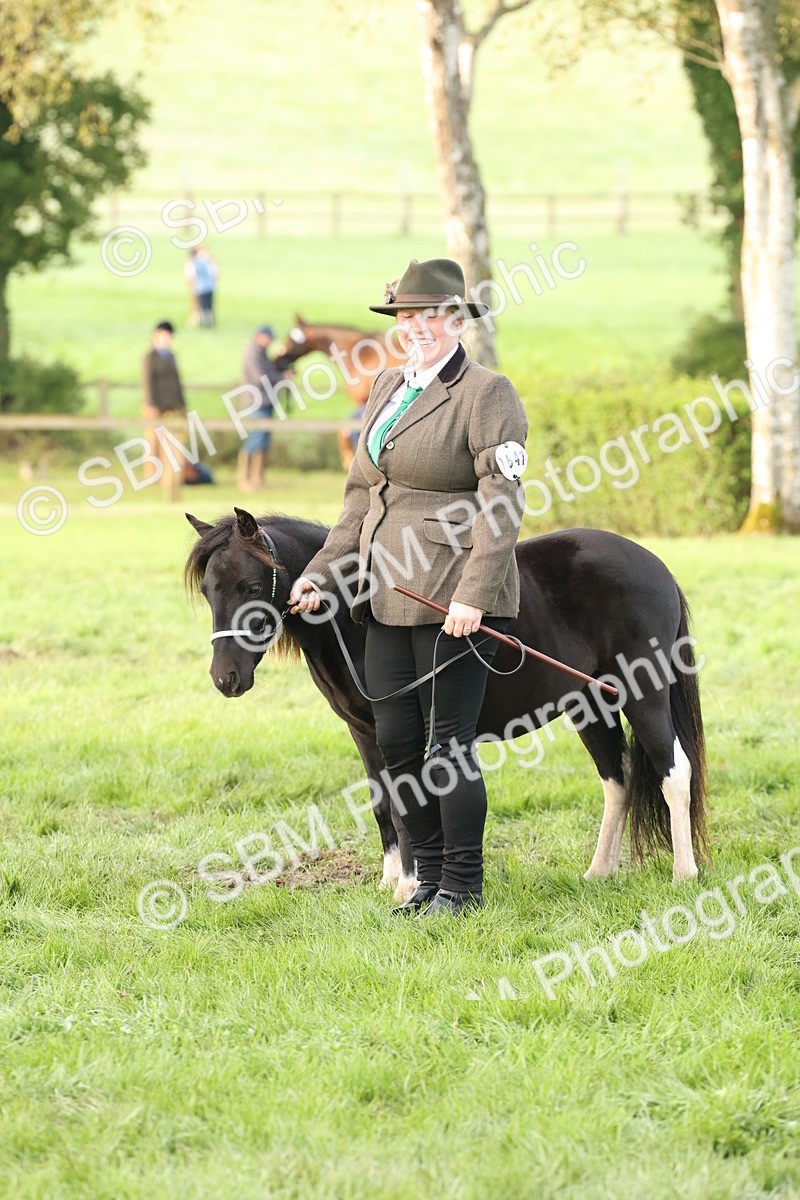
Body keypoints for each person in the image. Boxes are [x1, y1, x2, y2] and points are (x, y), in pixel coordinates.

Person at [289, 259, 529, 917]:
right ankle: (425, 878)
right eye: (406, 318)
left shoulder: (487, 393)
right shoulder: (388, 384)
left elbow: (502, 504)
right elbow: (361, 496)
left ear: (455, 320)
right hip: (384, 592)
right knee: (395, 743)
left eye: (429, 317)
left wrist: (474, 595)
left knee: (446, 746)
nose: (416, 329)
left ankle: (462, 886)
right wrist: (320, 575)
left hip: (452, 593)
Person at [142, 320, 188, 502]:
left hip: (172, 406)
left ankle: (167, 479)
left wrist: (181, 404)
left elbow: (176, 383)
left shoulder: (170, 356)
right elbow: (149, 381)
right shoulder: (151, 356)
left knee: (171, 443)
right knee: (152, 440)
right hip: (157, 405)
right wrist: (152, 404)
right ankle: (150, 475)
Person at [239, 324, 285, 491]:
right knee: (255, 439)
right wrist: (281, 377)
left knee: (263, 440)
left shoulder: (260, 353)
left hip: (263, 401)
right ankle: (245, 479)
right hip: (257, 402)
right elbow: (260, 378)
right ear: (260, 336)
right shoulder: (253, 354)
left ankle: (257, 478)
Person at [184, 245, 218, 328]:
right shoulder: (205, 261)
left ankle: (204, 323)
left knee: (202, 306)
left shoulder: (192, 264)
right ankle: (209, 322)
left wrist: (193, 288)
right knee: (209, 306)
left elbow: (192, 277)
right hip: (209, 286)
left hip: (200, 288)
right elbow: (213, 273)